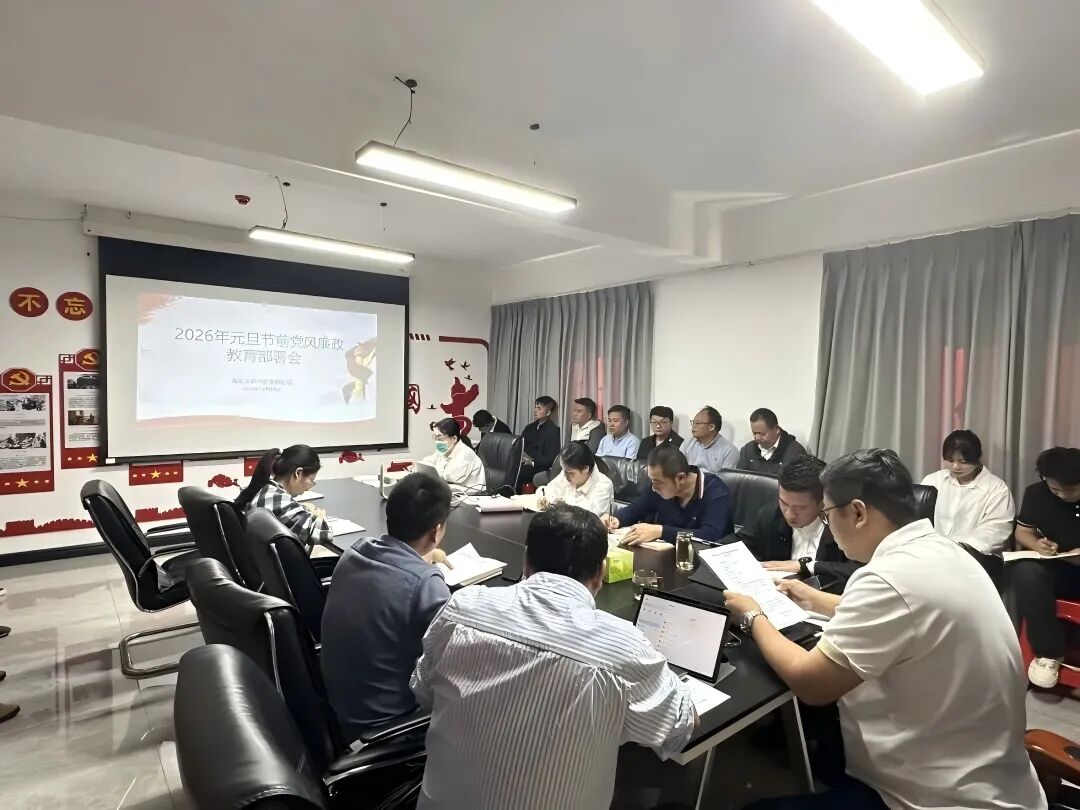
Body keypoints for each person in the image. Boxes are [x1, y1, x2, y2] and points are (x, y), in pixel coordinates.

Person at [725, 449, 1046, 810]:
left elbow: (811, 683)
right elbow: (908, 614)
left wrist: (753, 616)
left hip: (938, 796)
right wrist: (814, 598)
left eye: (827, 515)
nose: (828, 525)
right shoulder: (943, 550)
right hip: (994, 772)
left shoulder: (886, 578)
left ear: (858, 512)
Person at [410, 503, 696, 810]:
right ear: (600, 572)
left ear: (525, 561)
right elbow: (678, 728)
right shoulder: (624, 649)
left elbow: (423, 690)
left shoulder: (462, 608)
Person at [321, 473, 453, 739]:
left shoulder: (354, 552)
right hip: (385, 728)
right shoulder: (426, 585)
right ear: (436, 531)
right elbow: (453, 666)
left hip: (334, 707)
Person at [733, 454, 860, 592]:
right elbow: (740, 542)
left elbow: (859, 570)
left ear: (823, 501)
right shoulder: (771, 514)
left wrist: (807, 566)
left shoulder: (844, 523)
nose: (789, 514)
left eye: (800, 508)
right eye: (783, 502)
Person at [1011, 447, 1080, 688]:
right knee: (1025, 571)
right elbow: (1023, 532)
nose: (1060, 495)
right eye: (1054, 489)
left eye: (1068, 490)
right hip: (1057, 568)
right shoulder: (1037, 494)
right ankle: (1048, 653)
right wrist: (1038, 545)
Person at [604, 445, 733, 545]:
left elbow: (710, 535)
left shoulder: (716, 492)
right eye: (652, 480)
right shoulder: (657, 486)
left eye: (657, 482)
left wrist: (660, 531)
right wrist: (617, 519)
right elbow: (637, 508)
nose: (653, 487)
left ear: (681, 478)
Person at [920, 429, 1015, 555]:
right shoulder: (933, 480)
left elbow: (995, 531)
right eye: (950, 460)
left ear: (977, 459)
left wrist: (956, 549)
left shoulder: (996, 489)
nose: (955, 466)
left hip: (974, 555)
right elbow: (917, 518)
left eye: (963, 462)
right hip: (930, 551)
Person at [234, 445, 332, 547]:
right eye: (311, 480)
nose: (309, 488)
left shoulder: (266, 491)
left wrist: (304, 508)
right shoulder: (278, 501)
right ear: (298, 473)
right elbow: (324, 534)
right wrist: (321, 517)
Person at [540, 442, 615, 517]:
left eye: (570, 473)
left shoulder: (604, 485)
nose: (565, 476)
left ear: (585, 469)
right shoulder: (568, 472)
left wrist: (559, 503)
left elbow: (586, 515)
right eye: (564, 471)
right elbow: (548, 491)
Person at [422, 417, 486, 493]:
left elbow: (451, 476)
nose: (437, 441)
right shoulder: (444, 450)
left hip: (471, 495)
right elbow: (428, 461)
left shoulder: (465, 453)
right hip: (453, 491)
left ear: (454, 438)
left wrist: (431, 470)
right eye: (435, 437)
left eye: (440, 437)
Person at [737, 407, 807, 475]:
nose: (757, 438)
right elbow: (738, 479)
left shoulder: (796, 453)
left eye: (762, 434)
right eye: (754, 433)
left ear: (776, 429)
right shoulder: (747, 450)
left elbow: (802, 481)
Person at [679, 406, 739, 473]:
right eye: (693, 422)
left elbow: (726, 478)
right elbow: (678, 469)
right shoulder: (687, 444)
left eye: (697, 423)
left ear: (711, 427)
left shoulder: (729, 451)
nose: (693, 426)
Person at [521, 396, 561, 473]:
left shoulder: (554, 431)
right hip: (523, 461)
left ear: (548, 412)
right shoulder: (529, 427)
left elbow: (551, 458)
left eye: (539, 409)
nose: (535, 411)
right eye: (535, 408)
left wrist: (532, 463)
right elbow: (520, 444)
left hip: (538, 468)